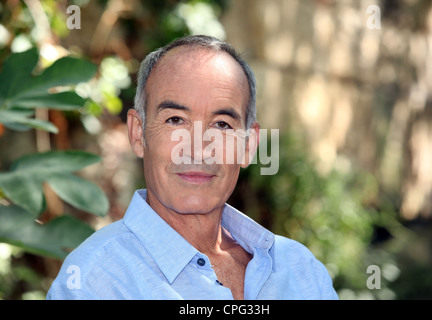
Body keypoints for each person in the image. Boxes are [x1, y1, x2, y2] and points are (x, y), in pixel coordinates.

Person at [46, 35, 339, 300]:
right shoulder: (95, 283)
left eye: (222, 124)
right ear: (138, 134)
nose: (198, 147)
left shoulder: (300, 270)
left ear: (248, 146)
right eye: (175, 120)